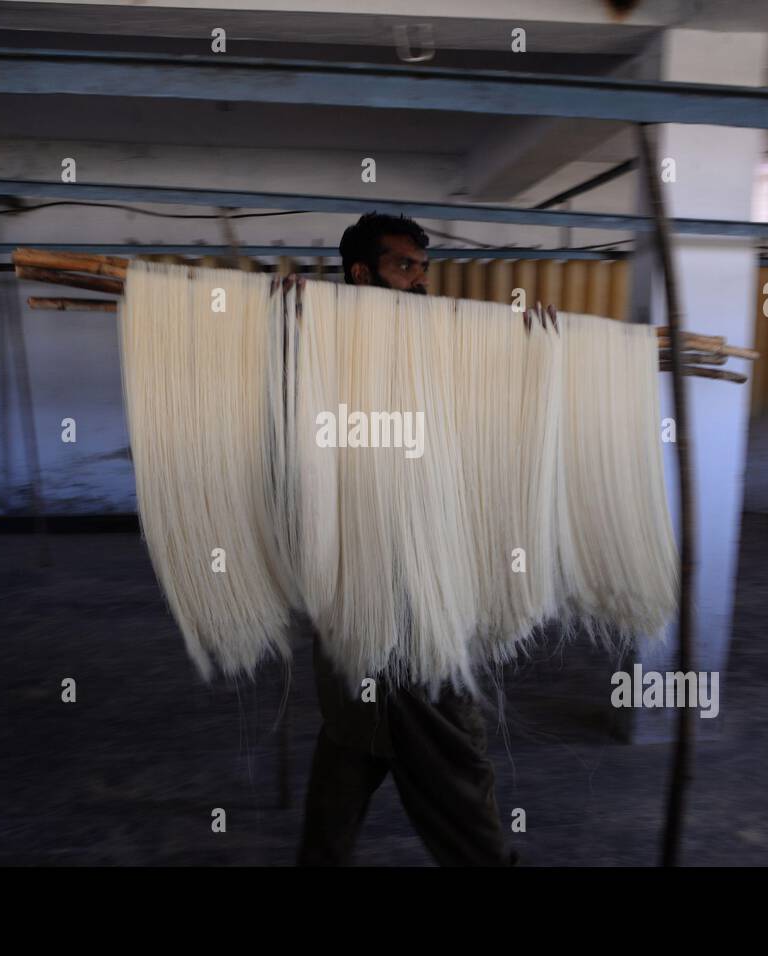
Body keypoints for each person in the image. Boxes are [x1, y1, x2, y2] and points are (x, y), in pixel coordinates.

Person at [296, 212, 518, 867]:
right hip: (396, 611)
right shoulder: (326, 356)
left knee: (353, 742)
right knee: (452, 764)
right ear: (363, 273)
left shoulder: (426, 348)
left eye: (423, 267)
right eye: (404, 267)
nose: (420, 280)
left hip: (385, 600)